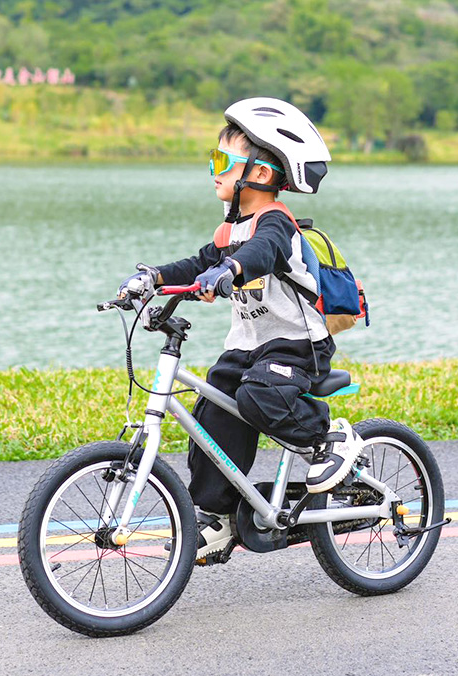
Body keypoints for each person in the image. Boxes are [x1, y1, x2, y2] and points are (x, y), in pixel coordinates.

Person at [118, 97, 363, 561]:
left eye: (221, 161)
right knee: (214, 411)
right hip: (248, 349)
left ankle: (330, 439)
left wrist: (230, 269)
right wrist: (152, 279)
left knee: (261, 395)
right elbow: (197, 264)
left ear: (261, 174)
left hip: (296, 347)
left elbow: (261, 254)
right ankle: (219, 514)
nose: (213, 170)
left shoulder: (276, 224)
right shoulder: (228, 231)